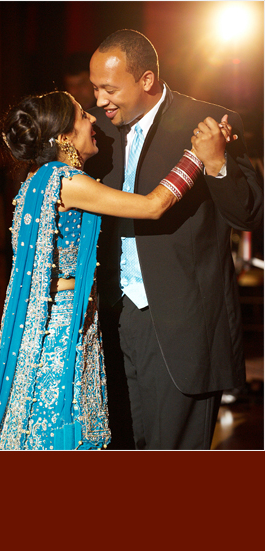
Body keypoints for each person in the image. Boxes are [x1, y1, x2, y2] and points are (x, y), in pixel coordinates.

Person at [0, 90, 233, 450]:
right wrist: (196, 156)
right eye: (82, 114)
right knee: (62, 429)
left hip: (57, 320)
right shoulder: (67, 182)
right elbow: (153, 205)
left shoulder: (36, 180)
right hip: (66, 328)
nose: (93, 118)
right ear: (64, 138)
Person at [84, 29, 263, 450]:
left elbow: (249, 213)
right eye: (94, 88)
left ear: (145, 80)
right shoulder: (97, 131)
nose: (100, 100)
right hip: (112, 320)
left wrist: (217, 164)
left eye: (109, 89)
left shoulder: (208, 122)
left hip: (182, 326)